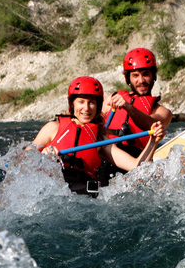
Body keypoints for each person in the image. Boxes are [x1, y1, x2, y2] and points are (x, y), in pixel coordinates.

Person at [31, 76, 165, 196]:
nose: (86, 108)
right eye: (81, 102)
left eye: (92, 102)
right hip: (50, 192)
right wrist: (41, 156)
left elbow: (136, 167)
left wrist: (154, 141)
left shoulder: (100, 140)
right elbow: (20, 161)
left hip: (82, 199)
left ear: (98, 106)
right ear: (72, 104)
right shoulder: (52, 128)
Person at [102, 48, 172, 158]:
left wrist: (128, 107)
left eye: (146, 74)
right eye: (135, 75)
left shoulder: (162, 111)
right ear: (127, 79)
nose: (141, 80)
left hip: (136, 162)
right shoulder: (111, 99)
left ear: (154, 76)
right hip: (106, 155)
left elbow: (152, 126)